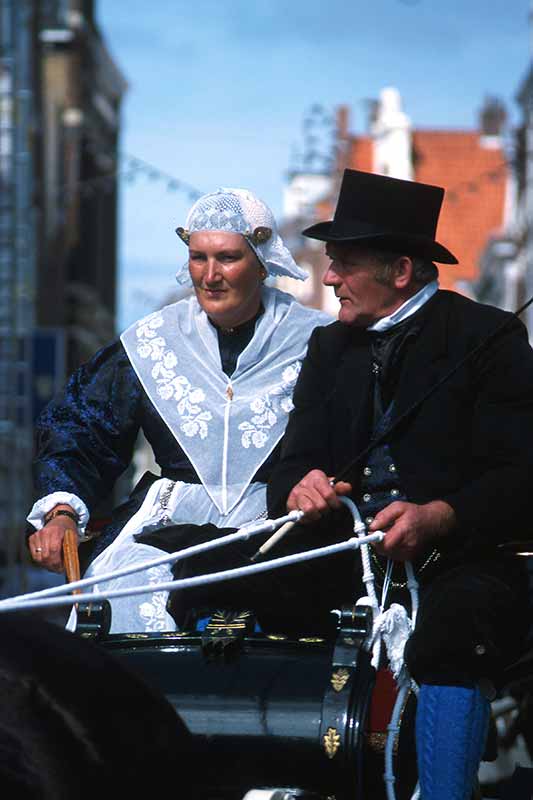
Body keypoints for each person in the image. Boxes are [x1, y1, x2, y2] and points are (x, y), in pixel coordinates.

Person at [266, 169, 533, 800]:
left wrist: (441, 515)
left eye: (344, 263)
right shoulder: (330, 347)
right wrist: (297, 486)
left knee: (452, 627)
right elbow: (291, 459)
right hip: (346, 554)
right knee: (223, 592)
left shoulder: (489, 338)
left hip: (463, 560)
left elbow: (522, 474)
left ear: (402, 271)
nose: (328, 278)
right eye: (330, 262)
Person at [26, 187, 331, 632]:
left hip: (283, 522)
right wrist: (61, 513)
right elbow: (81, 430)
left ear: (262, 263)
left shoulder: (320, 339)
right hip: (167, 522)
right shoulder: (153, 340)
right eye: (198, 258)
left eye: (227, 258)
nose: (210, 276)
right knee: (119, 591)